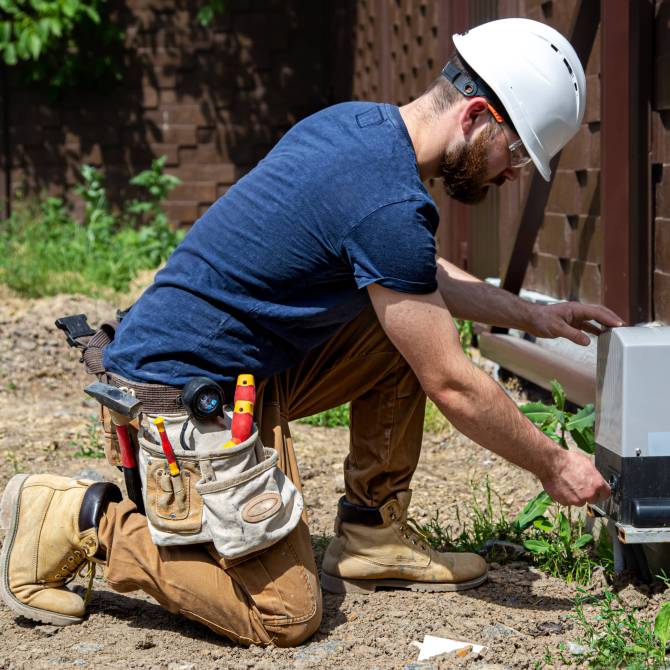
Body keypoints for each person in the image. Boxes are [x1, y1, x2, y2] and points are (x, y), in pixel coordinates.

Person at [0, 18, 619, 647]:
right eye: (514, 152)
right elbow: (453, 385)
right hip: (174, 396)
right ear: (477, 115)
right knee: (285, 615)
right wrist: (553, 464)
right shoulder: (387, 201)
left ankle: (371, 533)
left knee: (406, 326)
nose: (511, 173)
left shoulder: (360, 128)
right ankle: (79, 518)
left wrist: (532, 314)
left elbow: (417, 275)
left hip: (234, 369)